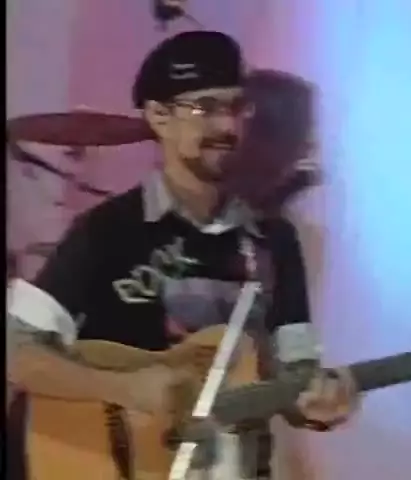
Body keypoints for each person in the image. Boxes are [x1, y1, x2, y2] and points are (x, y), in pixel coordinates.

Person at [7, 31, 359, 480]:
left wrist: (320, 402)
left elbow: (296, 374)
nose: (227, 126)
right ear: (159, 117)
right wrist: (125, 387)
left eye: (237, 106)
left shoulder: (276, 241)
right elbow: (15, 351)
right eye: (206, 108)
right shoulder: (106, 232)